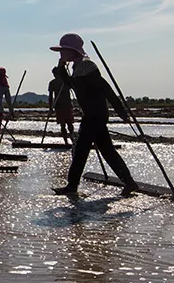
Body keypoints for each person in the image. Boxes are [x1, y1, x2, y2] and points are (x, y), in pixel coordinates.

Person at [49, 33, 139, 197]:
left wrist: (121, 112)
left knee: (80, 149)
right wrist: (61, 65)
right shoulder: (76, 67)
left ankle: (72, 186)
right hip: (92, 115)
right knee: (107, 150)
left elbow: (106, 89)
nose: (61, 54)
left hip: (95, 115)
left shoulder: (87, 66)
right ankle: (129, 183)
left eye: (64, 51)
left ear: (73, 51)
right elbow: (68, 83)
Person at [48, 66, 75, 145]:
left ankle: (72, 139)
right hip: (59, 106)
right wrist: (50, 108)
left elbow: (73, 87)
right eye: (54, 74)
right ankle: (66, 142)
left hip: (67, 105)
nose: (55, 75)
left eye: (56, 73)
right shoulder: (52, 83)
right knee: (63, 125)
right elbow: (50, 96)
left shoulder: (66, 81)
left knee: (69, 123)